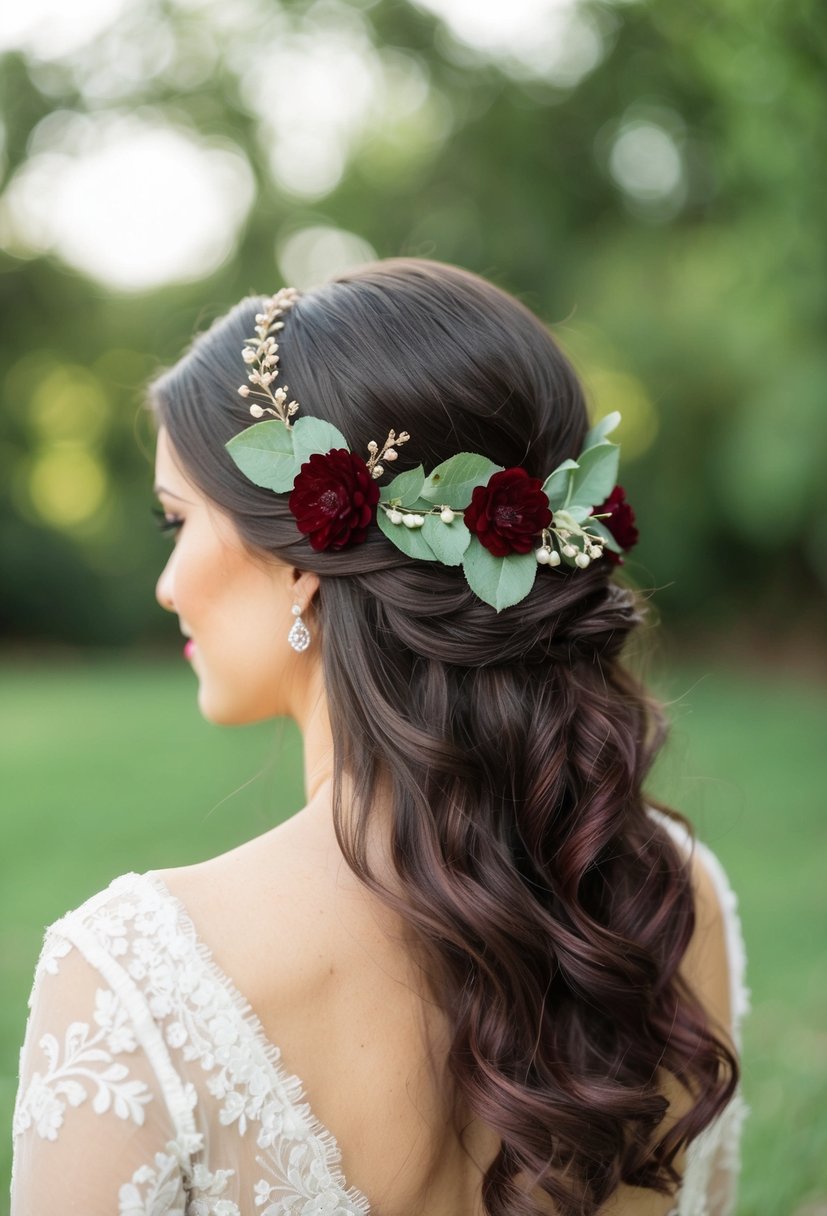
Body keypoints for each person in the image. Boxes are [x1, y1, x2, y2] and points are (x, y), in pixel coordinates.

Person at [11, 259, 747, 1215]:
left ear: (304, 555)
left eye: (175, 520)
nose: (167, 583)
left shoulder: (135, 983)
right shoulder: (670, 897)